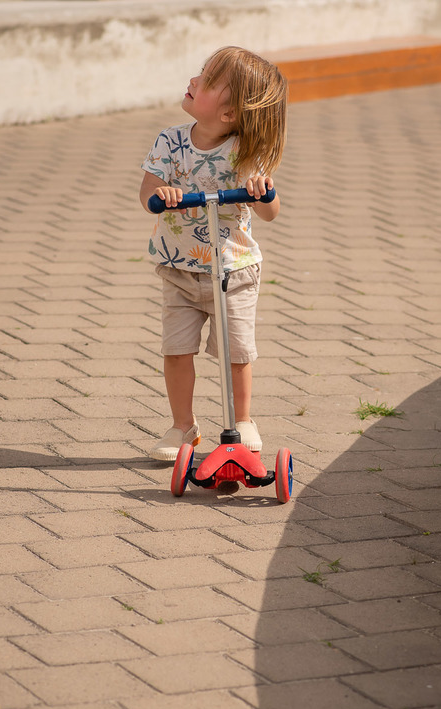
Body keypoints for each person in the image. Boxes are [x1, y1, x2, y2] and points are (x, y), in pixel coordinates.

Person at [140, 46, 288, 461]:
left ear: (227, 114)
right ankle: (182, 425)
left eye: (206, 79)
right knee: (176, 350)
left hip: (233, 272)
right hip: (179, 269)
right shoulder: (170, 142)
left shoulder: (245, 153)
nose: (193, 79)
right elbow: (147, 194)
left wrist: (263, 191)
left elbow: (270, 212)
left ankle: (243, 420)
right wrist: (163, 195)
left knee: (236, 352)